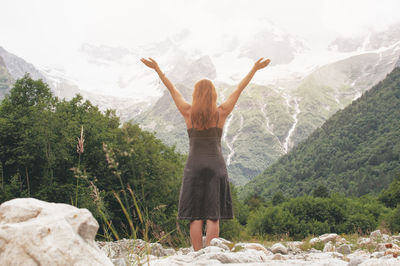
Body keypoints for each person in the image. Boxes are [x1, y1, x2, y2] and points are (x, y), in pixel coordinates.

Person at [140, 57, 270, 251]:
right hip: (216, 166)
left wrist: (158, 69)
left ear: (195, 95)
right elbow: (238, 90)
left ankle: (197, 254)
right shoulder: (221, 112)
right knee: (213, 214)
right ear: (213, 95)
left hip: (194, 166)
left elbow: (172, 90)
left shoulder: (187, 112)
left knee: (195, 215)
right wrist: (254, 69)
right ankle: (210, 255)